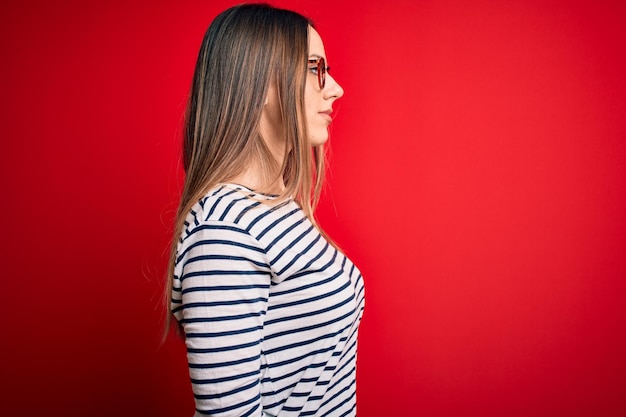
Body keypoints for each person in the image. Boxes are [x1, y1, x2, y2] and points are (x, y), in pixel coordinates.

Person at [165, 4, 365, 416]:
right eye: (314, 68)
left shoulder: (276, 208)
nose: (336, 89)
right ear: (258, 82)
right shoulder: (223, 234)